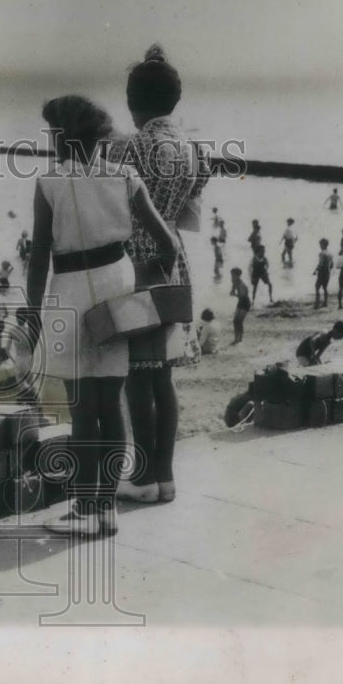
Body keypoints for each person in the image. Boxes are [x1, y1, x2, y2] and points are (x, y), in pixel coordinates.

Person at [28, 91, 182, 534]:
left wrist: (31, 315)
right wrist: (142, 285)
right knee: (111, 403)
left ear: (60, 137)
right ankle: (107, 512)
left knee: (82, 409)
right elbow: (168, 245)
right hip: (118, 284)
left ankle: (84, 511)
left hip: (71, 289)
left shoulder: (49, 183)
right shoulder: (125, 175)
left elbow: (39, 259)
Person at [104, 46, 211, 510]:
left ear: (131, 98)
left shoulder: (127, 146)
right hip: (175, 263)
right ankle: (164, 477)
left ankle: (143, 478)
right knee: (162, 375)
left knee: (136, 377)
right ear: (175, 100)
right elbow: (186, 217)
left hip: (136, 265)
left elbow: (109, 211)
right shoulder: (194, 151)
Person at [7, 306, 38, 405]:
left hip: (19, 360)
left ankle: (22, 404)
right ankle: (31, 403)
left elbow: (7, 350)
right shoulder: (30, 331)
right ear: (26, 319)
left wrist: (13, 360)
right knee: (31, 385)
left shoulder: (12, 331)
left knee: (22, 386)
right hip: (29, 359)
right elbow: (35, 347)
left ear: (16, 317)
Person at [230, 268, 250, 344]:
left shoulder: (242, 284)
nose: (231, 277)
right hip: (240, 302)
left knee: (239, 321)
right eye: (231, 275)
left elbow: (243, 295)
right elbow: (232, 292)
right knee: (235, 321)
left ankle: (239, 338)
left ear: (237, 275)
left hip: (245, 303)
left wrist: (235, 294)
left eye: (233, 275)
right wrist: (233, 290)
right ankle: (236, 338)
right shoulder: (235, 282)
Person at [313, 238, 335, 308]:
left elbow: (320, 264)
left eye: (320, 244)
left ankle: (317, 302)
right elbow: (332, 265)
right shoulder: (330, 254)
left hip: (322, 272)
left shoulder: (322, 253)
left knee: (317, 286)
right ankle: (325, 302)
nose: (320, 246)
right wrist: (328, 269)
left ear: (323, 245)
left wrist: (315, 270)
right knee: (325, 287)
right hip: (327, 271)